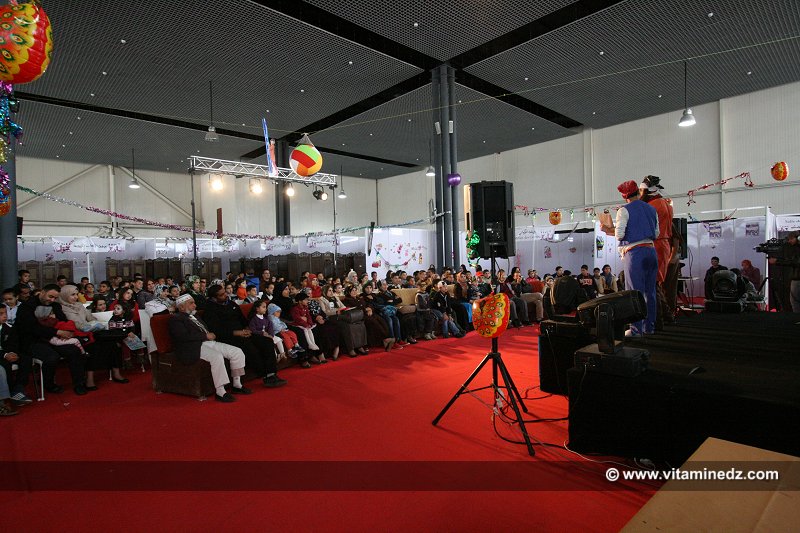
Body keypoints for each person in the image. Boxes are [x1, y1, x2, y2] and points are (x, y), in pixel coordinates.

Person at [168, 294, 248, 402]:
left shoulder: (195, 316)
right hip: (193, 346)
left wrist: (209, 335)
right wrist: (205, 336)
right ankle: (220, 392)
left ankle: (237, 385)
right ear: (181, 307)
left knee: (237, 352)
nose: (194, 305)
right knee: (217, 357)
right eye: (191, 303)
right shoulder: (176, 319)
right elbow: (182, 336)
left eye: (194, 302)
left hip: (209, 342)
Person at [203, 284, 286, 387]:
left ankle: (272, 374)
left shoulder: (231, 304)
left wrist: (247, 328)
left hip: (244, 332)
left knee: (267, 342)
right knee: (250, 347)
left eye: (225, 292)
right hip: (229, 336)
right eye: (221, 295)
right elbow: (216, 330)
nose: (225, 295)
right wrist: (237, 333)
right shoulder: (210, 309)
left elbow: (242, 319)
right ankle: (265, 375)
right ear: (214, 298)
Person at [15, 284, 89, 395]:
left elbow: (63, 320)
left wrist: (62, 330)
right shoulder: (27, 306)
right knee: (51, 357)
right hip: (33, 340)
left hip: (54, 338)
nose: (52, 300)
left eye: (55, 298)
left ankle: (79, 383)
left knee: (74, 351)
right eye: (50, 296)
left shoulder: (55, 306)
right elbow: (32, 328)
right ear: (42, 292)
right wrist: (57, 331)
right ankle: (48, 383)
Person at [612, 180, 659, 336]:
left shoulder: (623, 210)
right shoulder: (652, 209)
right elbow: (657, 233)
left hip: (635, 253)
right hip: (651, 251)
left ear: (625, 196)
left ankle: (636, 329)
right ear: (639, 193)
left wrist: (610, 229)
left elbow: (619, 234)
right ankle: (649, 327)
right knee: (650, 291)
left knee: (634, 292)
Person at [640, 175, 674, 328]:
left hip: (655, 244)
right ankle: (667, 316)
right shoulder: (666, 204)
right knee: (656, 283)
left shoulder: (652, 206)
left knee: (651, 284)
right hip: (664, 244)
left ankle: (657, 320)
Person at [0, 305, 33, 406]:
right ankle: (10, 391)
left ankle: (19, 388)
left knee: (25, 359)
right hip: (1, 356)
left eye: (5, 313)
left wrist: (13, 352)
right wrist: (5, 354)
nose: (4, 316)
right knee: (5, 364)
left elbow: (14, 343)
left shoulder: (9, 327)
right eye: (1, 314)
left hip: (8, 353)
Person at [769, 231, 800, 312]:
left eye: (791, 239)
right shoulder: (793, 247)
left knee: (795, 301)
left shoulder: (797, 249)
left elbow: (795, 262)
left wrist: (777, 261)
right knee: (794, 301)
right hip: (795, 278)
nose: (789, 241)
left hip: (797, 278)